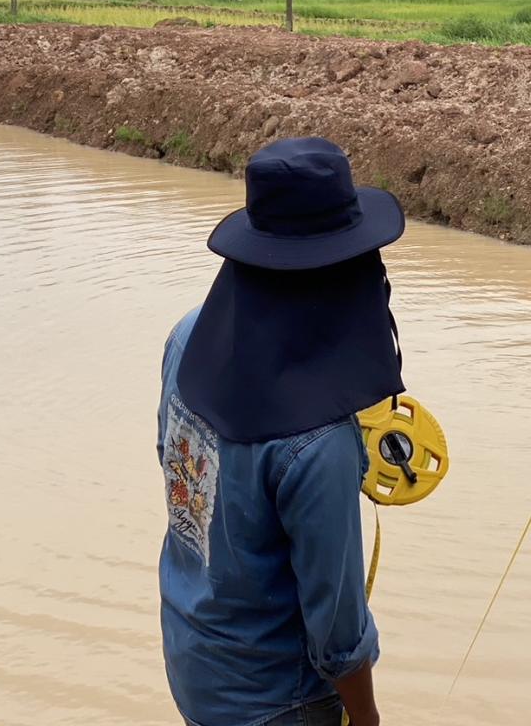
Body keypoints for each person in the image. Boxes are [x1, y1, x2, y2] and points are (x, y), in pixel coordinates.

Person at [157, 136, 405, 726]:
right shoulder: (317, 445)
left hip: (194, 655)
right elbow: (337, 633)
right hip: (277, 702)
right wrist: (367, 721)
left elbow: (180, 480)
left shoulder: (190, 338)